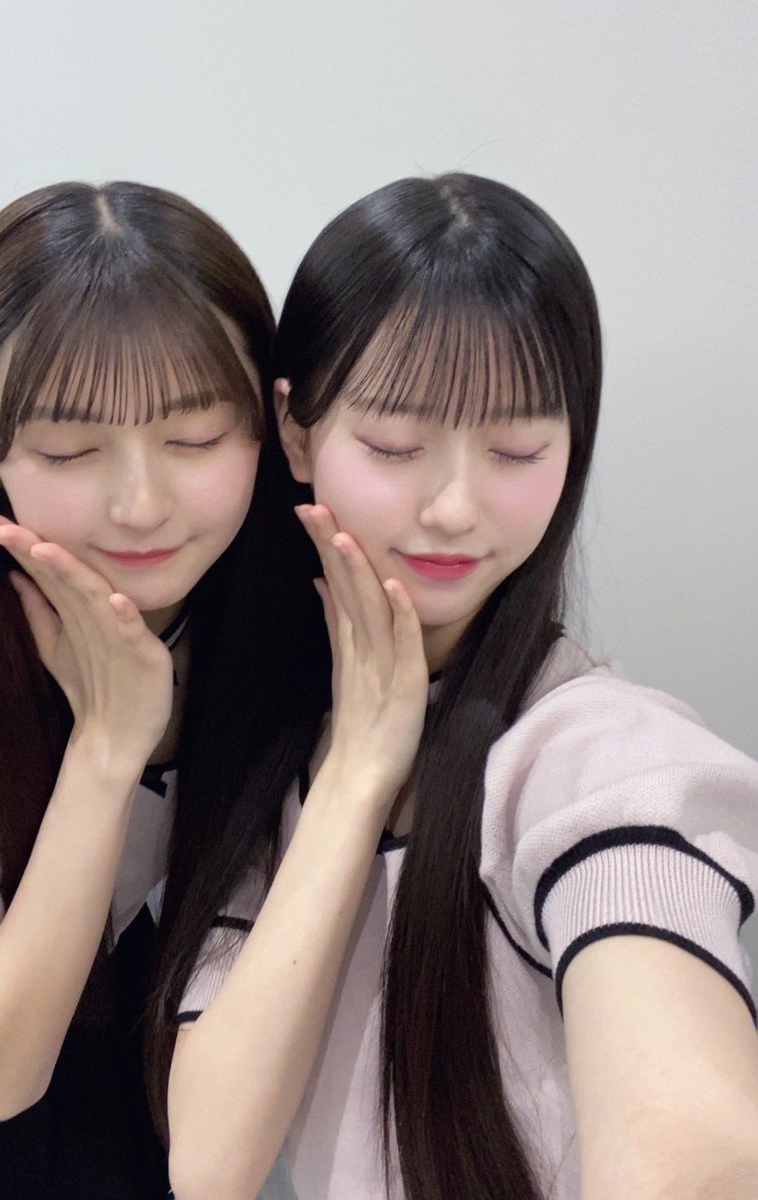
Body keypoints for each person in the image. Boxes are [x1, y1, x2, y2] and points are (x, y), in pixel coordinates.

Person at [151, 174, 758, 1200]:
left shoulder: (595, 755)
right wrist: (357, 773)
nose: (455, 507)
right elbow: (211, 1161)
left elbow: (690, 1140)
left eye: (517, 449)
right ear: (295, 431)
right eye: (396, 445)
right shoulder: (269, 745)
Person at [0, 179, 278, 1199]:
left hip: (159, 1093)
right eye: (68, 449)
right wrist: (109, 742)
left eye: (195, 438)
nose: (140, 504)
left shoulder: (287, 631)